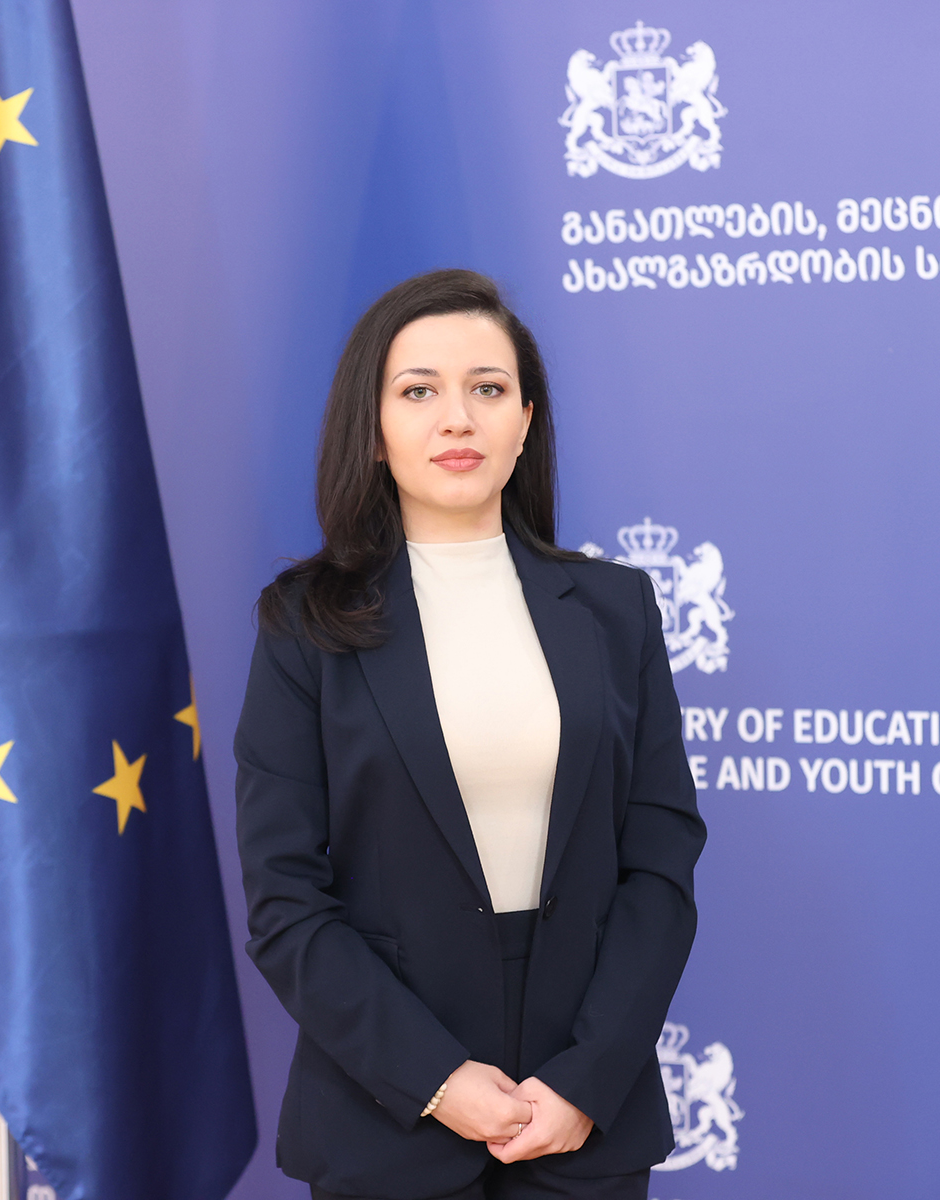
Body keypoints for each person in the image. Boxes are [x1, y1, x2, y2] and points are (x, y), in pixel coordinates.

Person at [234, 269, 706, 1200]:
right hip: (386, 1121)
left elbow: (660, 862)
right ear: (373, 427)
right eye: (419, 392)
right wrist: (437, 1081)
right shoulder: (304, 623)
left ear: (525, 422)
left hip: (582, 1122)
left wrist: (588, 1077)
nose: (458, 418)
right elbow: (284, 899)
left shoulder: (616, 610)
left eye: (487, 389)